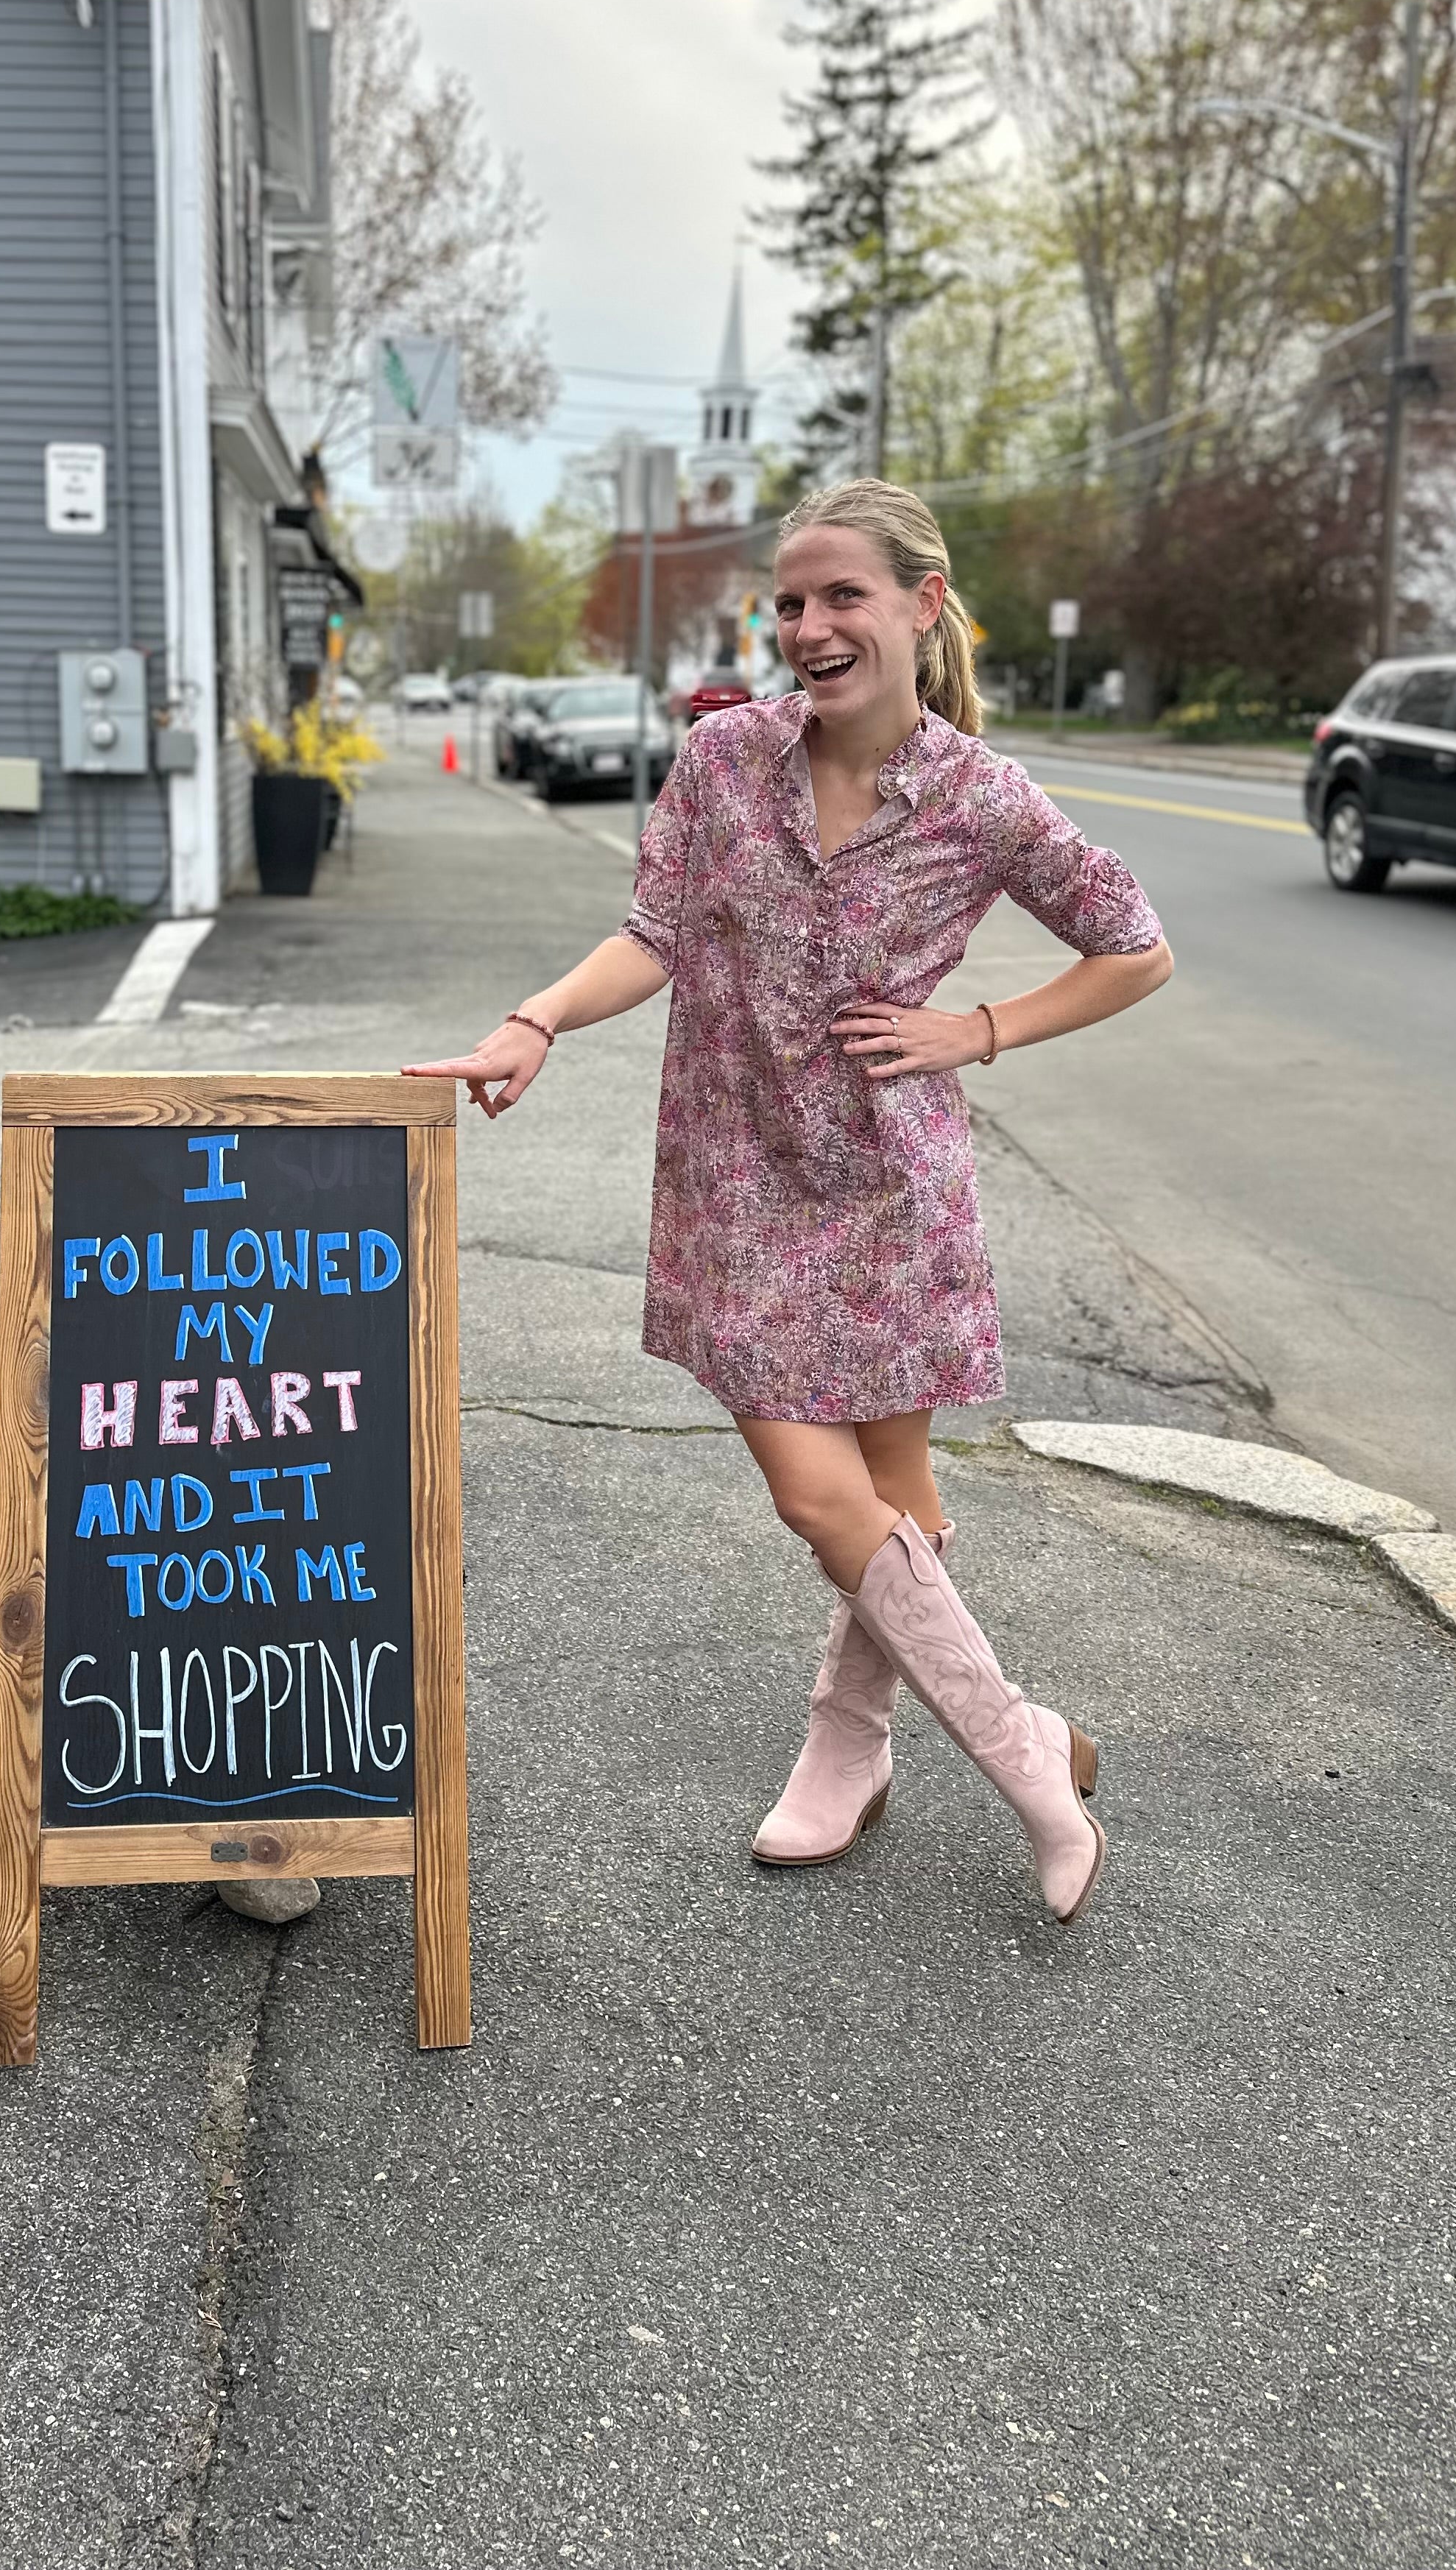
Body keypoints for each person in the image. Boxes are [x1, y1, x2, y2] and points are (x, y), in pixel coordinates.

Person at [406, 479, 1171, 1925]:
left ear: (922, 606)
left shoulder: (983, 800)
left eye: (843, 599)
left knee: (895, 1497)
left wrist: (979, 1030)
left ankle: (852, 1744)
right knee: (819, 1497)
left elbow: (1137, 951)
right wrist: (540, 1019)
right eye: (792, 602)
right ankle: (1027, 1764)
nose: (809, 628)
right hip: (736, 1183)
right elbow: (657, 934)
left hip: (893, 1191)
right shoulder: (723, 761)